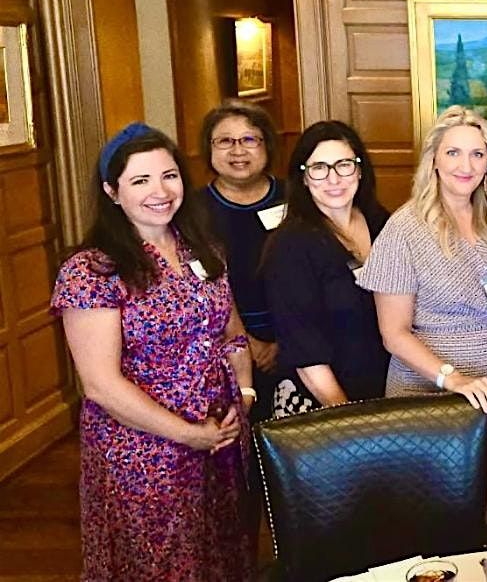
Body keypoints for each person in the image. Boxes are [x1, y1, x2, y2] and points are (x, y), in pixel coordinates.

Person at [52, 123, 254, 580]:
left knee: (224, 555)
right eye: (140, 181)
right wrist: (187, 435)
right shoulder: (92, 270)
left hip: (220, 438)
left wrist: (243, 398)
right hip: (146, 453)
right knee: (159, 564)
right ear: (112, 191)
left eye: (169, 176)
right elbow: (101, 386)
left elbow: (230, 329)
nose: (160, 191)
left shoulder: (201, 248)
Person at [360, 106, 487, 541]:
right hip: (431, 390)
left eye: (477, 155)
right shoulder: (404, 229)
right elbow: (393, 333)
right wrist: (453, 379)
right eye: (454, 153)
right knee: (436, 519)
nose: (466, 165)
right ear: (434, 159)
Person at [262, 121, 390, 417]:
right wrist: (347, 417)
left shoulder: (382, 223)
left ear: (360, 169)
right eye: (319, 167)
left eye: (343, 165)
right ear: (304, 178)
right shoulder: (290, 246)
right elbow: (305, 351)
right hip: (322, 404)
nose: (333, 179)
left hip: (386, 390)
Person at [200, 99, 285, 421]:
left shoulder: (297, 198)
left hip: (298, 342)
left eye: (249, 139)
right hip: (224, 348)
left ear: (267, 145)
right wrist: (245, 343)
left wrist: (282, 341)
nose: (238, 150)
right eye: (225, 141)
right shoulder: (192, 212)